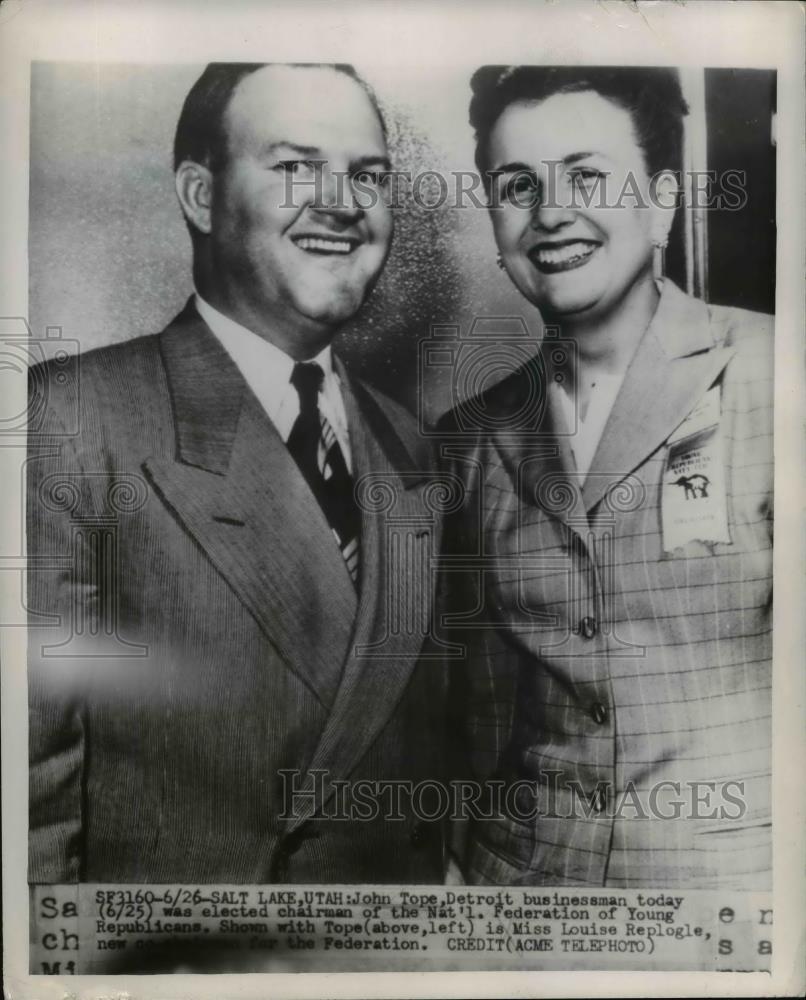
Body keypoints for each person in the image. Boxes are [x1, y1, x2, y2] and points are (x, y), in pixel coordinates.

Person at [27, 63, 447, 884]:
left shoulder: (411, 444)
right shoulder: (67, 420)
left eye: (368, 175)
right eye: (295, 166)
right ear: (200, 195)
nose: (342, 202)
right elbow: (31, 822)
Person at [439, 66, 772, 888]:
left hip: (730, 894)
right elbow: (481, 710)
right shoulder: (470, 438)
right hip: (521, 897)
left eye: (587, 176)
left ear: (662, 202)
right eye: (518, 185)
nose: (551, 212)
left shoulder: (775, 373)